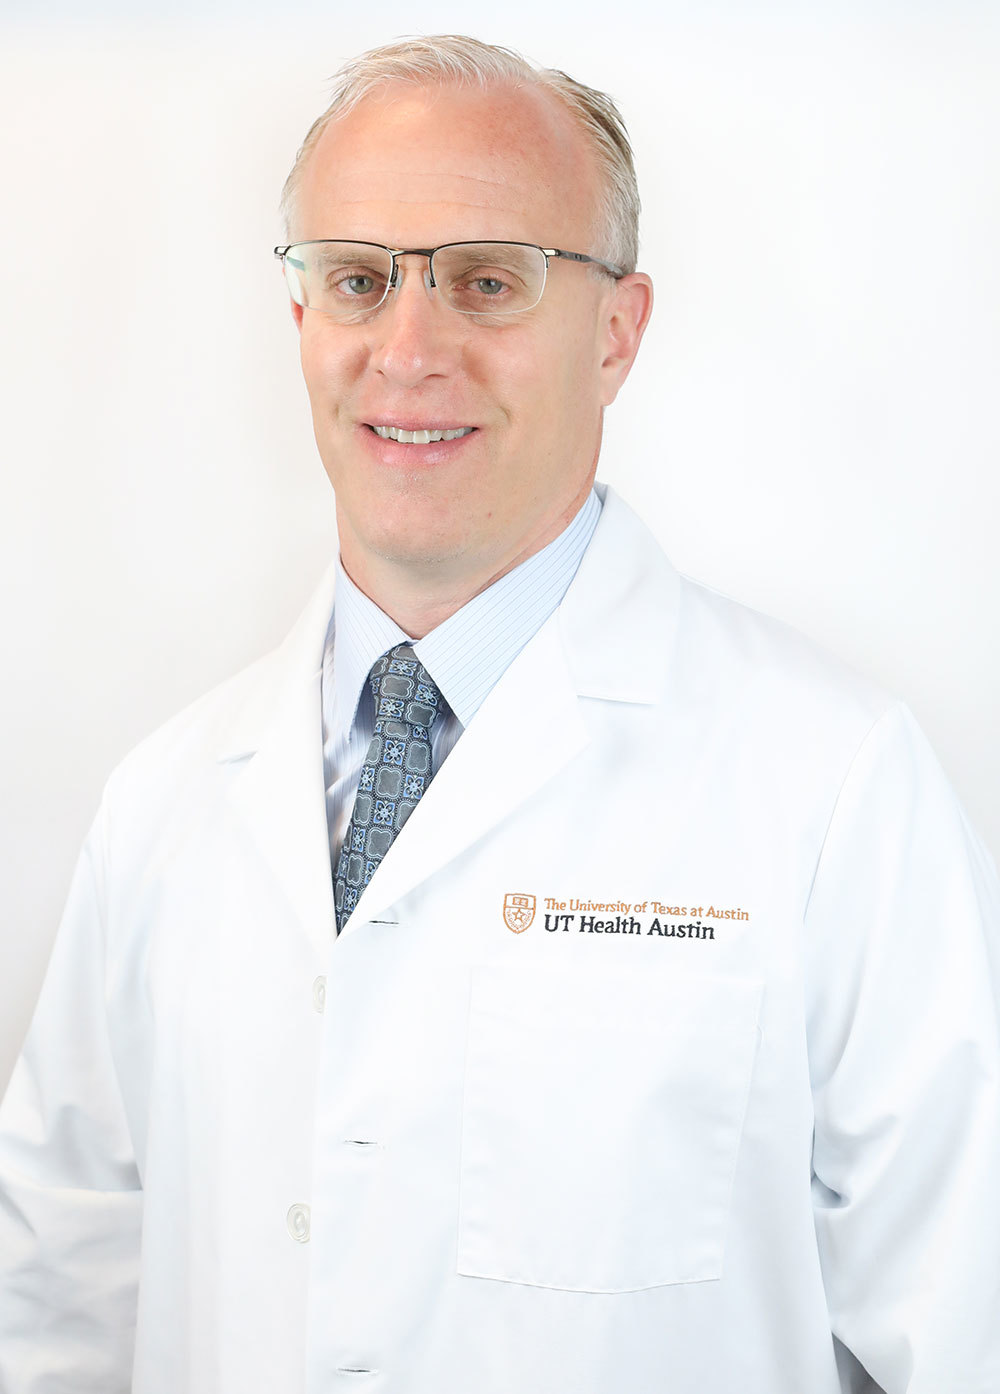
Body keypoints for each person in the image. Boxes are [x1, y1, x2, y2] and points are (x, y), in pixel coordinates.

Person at [1, 33, 997, 1394]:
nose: (408, 350)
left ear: (617, 331)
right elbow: (54, 1309)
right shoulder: (164, 802)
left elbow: (961, 1340)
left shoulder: (837, 791)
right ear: (304, 324)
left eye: (486, 280)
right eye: (358, 280)